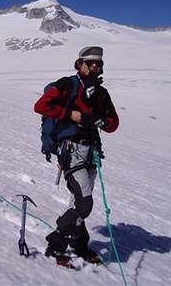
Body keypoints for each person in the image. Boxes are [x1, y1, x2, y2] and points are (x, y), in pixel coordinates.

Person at [34, 46, 119, 267]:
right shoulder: (67, 84)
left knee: (78, 201)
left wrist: (99, 121)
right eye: (89, 62)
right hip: (71, 150)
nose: (94, 66)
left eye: (98, 63)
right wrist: (71, 114)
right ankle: (56, 244)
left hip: (91, 152)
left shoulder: (101, 93)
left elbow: (114, 123)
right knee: (84, 204)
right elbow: (41, 105)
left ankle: (79, 244)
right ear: (79, 63)